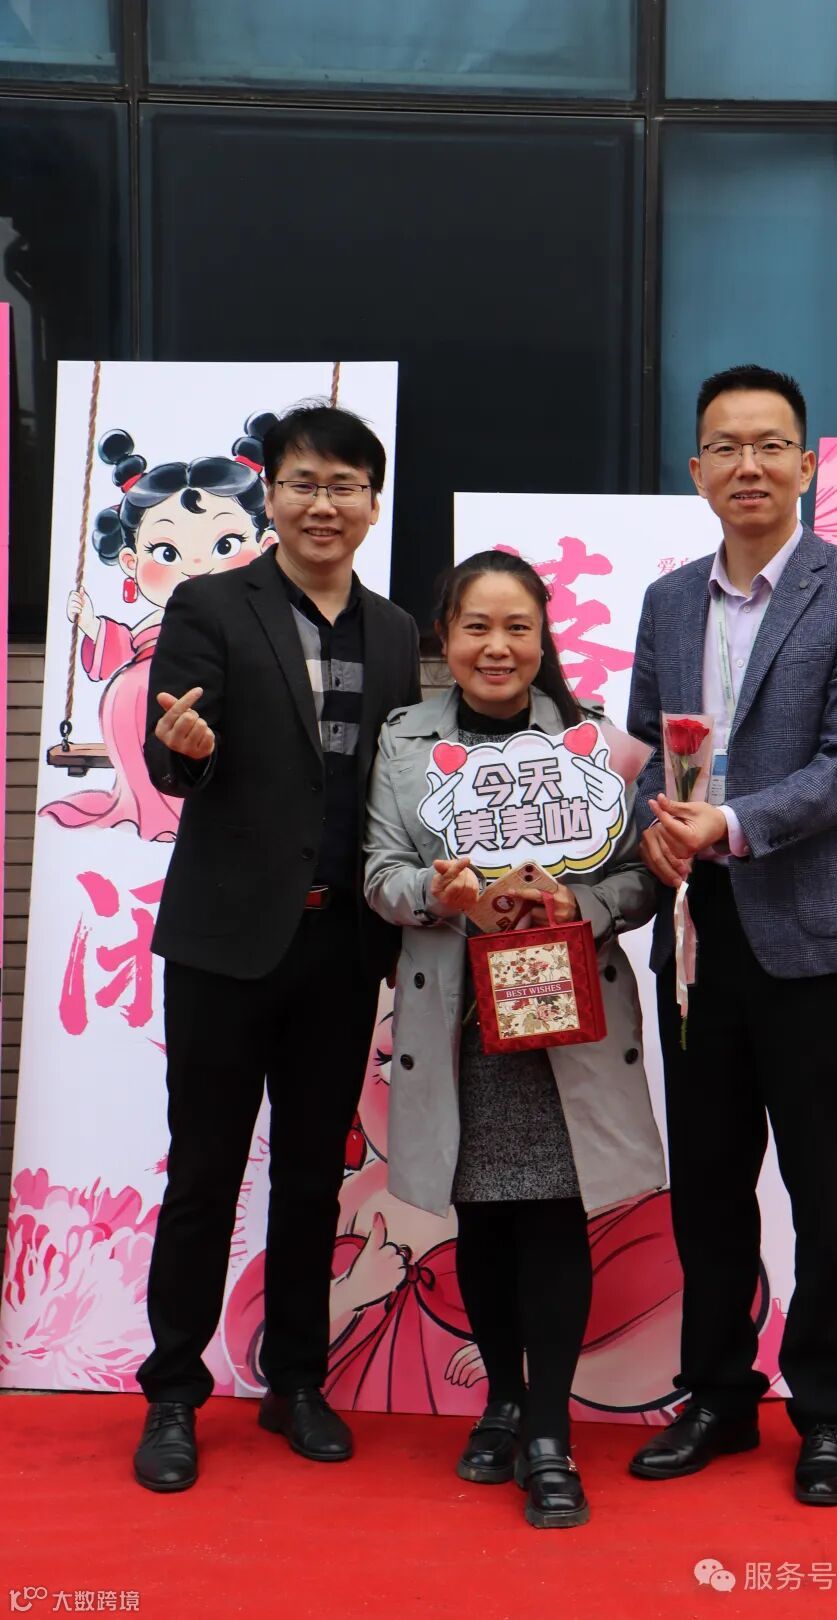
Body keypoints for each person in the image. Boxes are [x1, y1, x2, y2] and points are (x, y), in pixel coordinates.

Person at [626, 363, 837, 1505]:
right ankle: (716, 1396)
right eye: (726, 447)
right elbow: (646, 751)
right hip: (699, 941)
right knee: (707, 1181)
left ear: (807, 463)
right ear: (697, 469)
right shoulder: (666, 603)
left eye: (770, 444)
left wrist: (732, 824)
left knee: (825, 1184)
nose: (748, 465)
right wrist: (652, 835)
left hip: (822, 939)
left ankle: (831, 1412)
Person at [132, 403, 421, 1491]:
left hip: (341, 944)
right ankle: (172, 1394)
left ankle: (296, 1381)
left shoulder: (394, 631)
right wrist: (187, 749)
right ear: (274, 496)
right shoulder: (212, 603)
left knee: (310, 1180)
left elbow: (396, 780)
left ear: (372, 503)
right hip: (225, 944)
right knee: (203, 1173)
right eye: (305, 482)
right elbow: (176, 751)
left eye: (346, 485)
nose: (323, 504)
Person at [362, 549, 667, 1529]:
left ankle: (547, 1429)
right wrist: (436, 891)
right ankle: (500, 1400)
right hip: (458, 1020)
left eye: (517, 628)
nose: (497, 648)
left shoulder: (595, 745)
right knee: (484, 1221)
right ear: (444, 639)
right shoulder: (405, 741)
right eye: (477, 628)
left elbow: (642, 876)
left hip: (563, 1018)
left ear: (543, 639)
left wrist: (578, 902)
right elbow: (379, 873)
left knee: (554, 1219)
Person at [40, 418, 272, 841]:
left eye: (225, 545)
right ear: (131, 562)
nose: (196, 564)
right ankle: (149, 813)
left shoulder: (255, 615)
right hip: (138, 707)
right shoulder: (156, 622)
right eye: (166, 551)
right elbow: (122, 648)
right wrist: (90, 624)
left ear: (265, 546)